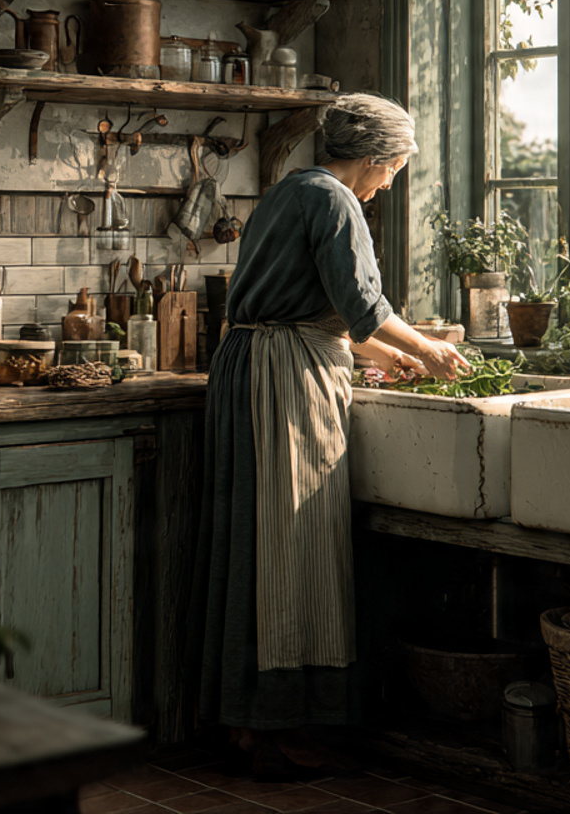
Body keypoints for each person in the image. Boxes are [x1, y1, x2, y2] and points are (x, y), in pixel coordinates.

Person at [189, 92, 469, 773]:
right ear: (376, 158)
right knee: (288, 544)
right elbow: (363, 307)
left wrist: (391, 356)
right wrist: (432, 353)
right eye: (396, 169)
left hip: (250, 366)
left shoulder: (289, 190)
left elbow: (314, 308)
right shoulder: (337, 201)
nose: (390, 183)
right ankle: (276, 727)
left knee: (252, 542)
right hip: (285, 381)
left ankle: (242, 719)